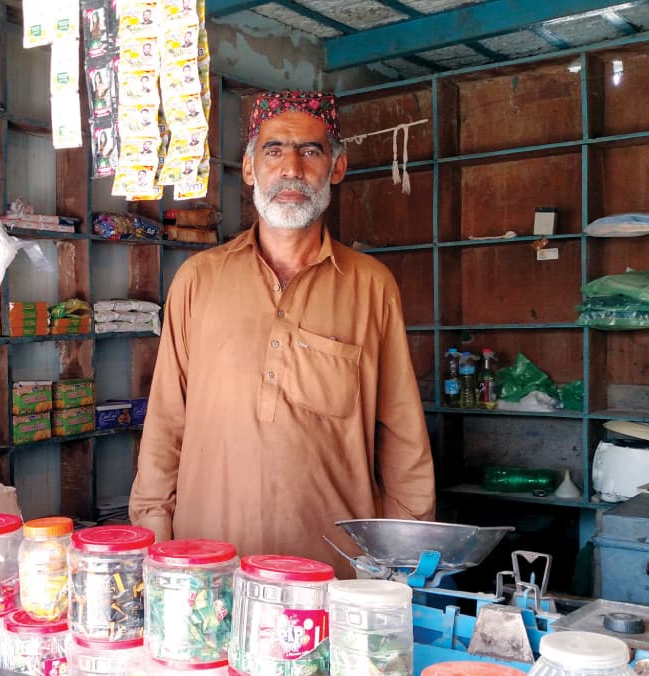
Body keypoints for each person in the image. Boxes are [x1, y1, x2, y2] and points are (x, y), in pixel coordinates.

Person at [129, 90, 435, 576]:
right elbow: (166, 422)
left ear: (337, 167)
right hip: (206, 569)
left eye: (311, 151)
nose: (291, 168)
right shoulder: (198, 280)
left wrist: (403, 563)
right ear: (250, 169)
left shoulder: (371, 286)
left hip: (331, 574)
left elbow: (402, 437)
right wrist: (155, 540)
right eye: (273, 151)